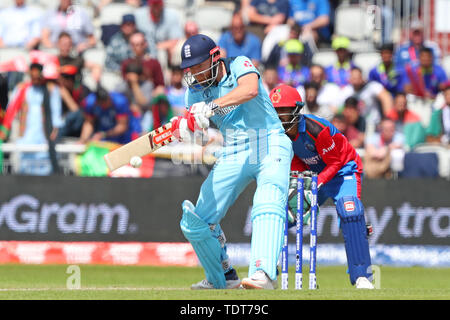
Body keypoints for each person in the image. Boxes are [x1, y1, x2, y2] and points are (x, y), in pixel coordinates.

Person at [170, 34, 293, 290]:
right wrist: (187, 129)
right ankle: (222, 277)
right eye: (189, 68)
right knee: (197, 221)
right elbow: (201, 136)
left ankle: (263, 274)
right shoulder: (194, 93)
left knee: (267, 199)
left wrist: (211, 107)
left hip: (267, 140)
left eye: (198, 66)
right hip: (234, 149)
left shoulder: (239, 64)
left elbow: (248, 90)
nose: (193, 73)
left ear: (215, 58)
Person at [269, 83, 374, 289]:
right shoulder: (277, 134)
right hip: (313, 174)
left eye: (284, 110)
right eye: (276, 110)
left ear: (296, 109)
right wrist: (298, 178)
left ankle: (361, 276)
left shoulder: (316, 128)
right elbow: (299, 158)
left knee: (349, 212)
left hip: (343, 170)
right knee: (283, 217)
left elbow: (335, 162)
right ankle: (267, 273)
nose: (280, 115)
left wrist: (316, 184)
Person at [339, 67, 393, 137]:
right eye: (353, 77)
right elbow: (338, 109)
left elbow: (386, 98)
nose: (355, 80)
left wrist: (386, 118)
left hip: (373, 123)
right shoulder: (346, 91)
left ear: (362, 77)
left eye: (357, 77)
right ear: (349, 79)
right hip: (355, 125)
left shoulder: (372, 87)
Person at [121, 32, 165, 97]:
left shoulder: (154, 63)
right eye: (134, 45)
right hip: (131, 95)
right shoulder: (126, 63)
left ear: (145, 44)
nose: (137, 47)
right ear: (130, 46)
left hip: (150, 95)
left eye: (140, 44)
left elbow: (160, 85)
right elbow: (125, 82)